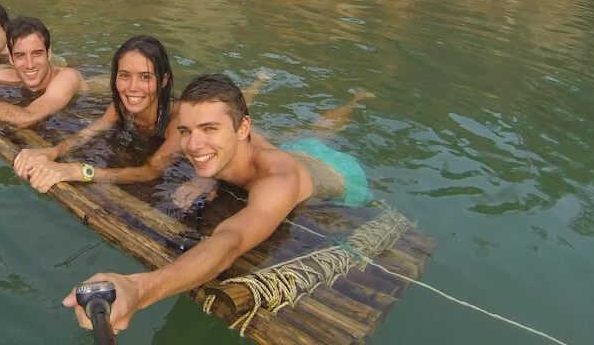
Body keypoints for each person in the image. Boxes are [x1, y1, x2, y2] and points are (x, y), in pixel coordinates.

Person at [62, 74, 374, 334]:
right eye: (186, 131)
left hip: (335, 177)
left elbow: (230, 242)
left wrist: (140, 289)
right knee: (314, 133)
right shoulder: (239, 141)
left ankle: (356, 101)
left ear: (242, 129)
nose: (193, 145)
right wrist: (207, 177)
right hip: (288, 151)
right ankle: (352, 99)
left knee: (320, 138)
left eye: (209, 129)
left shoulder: (279, 180)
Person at [14, 36, 178, 192]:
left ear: (163, 81)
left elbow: (150, 172)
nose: (133, 87)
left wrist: (79, 171)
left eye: (145, 77)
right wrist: (52, 152)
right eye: (125, 76)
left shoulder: (180, 121)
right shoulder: (121, 106)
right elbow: (91, 131)